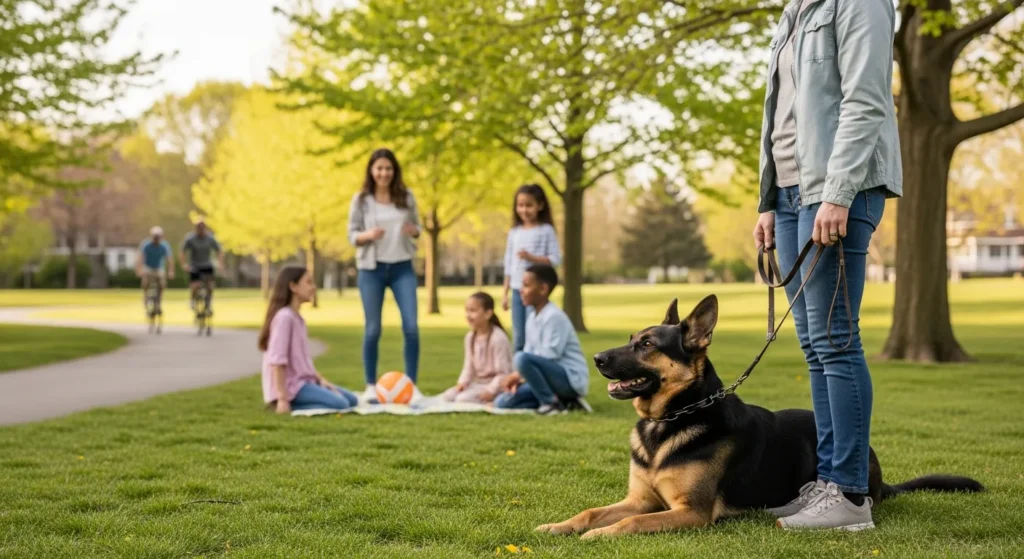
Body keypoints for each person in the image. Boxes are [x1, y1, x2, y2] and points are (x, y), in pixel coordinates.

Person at [752, 0, 902, 531]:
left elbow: (865, 100)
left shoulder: (861, 4)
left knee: (837, 338)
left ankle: (851, 495)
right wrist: (768, 200)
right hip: (792, 194)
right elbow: (780, 114)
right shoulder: (794, 11)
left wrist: (837, 194)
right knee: (815, 343)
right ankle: (828, 482)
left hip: (837, 189)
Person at [348, 148, 423, 404]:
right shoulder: (361, 200)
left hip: (402, 266)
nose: (384, 173)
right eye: (379, 168)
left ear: (395, 171)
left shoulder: (406, 196)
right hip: (372, 268)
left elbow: (418, 227)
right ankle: (370, 385)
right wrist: (367, 235)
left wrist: (414, 231)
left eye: (388, 168)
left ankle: (411, 385)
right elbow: (351, 234)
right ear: (371, 170)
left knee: (411, 327)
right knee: (373, 329)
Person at [260, 265, 359, 414]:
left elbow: (303, 363)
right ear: (293, 286)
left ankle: (314, 396)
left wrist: (321, 380)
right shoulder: (284, 317)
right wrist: (282, 398)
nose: (313, 287)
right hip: (291, 387)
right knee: (341, 404)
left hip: (305, 382)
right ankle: (282, 406)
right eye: (309, 282)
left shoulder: (298, 319)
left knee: (352, 400)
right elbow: (277, 361)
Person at [495, 264, 590, 415]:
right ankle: (564, 402)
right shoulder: (532, 316)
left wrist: (518, 374)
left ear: (543, 289)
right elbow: (530, 352)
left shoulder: (554, 317)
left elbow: (549, 356)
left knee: (520, 358)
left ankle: (550, 403)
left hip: (568, 379)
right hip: (548, 380)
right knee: (502, 402)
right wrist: (519, 378)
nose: (521, 290)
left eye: (526, 285)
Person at [502, 184, 561, 353]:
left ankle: (533, 370)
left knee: (534, 335)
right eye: (520, 205)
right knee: (519, 337)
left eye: (529, 205)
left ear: (540, 206)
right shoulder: (514, 232)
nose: (524, 210)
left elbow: (556, 259)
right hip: (516, 290)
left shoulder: (546, 231)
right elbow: (508, 264)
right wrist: (505, 294)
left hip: (535, 291)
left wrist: (531, 258)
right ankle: (519, 375)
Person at [440, 292, 513, 404]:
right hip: (478, 384)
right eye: (467, 311)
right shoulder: (470, 337)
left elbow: (504, 372)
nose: (468, 315)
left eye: (473, 311)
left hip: (495, 385)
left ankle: (494, 399)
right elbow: (468, 366)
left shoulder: (498, 338)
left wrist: (491, 390)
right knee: (448, 396)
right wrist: (462, 383)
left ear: (488, 314)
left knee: (462, 399)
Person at [180, 219, 224, 314]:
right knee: (195, 285)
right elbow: (182, 251)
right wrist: (184, 264)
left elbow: (219, 250)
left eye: (203, 228)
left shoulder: (210, 238)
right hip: (195, 265)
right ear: (196, 229)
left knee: (210, 286)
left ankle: (208, 304)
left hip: (207, 264)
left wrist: (220, 264)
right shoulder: (190, 238)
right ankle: (192, 300)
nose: (201, 230)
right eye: (199, 228)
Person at [136, 226, 175, 304]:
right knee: (146, 281)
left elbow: (169, 260)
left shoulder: (164, 246)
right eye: (155, 237)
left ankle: (159, 300)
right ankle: (146, 297)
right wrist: (139, 270)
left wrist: (171, 271)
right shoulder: (146, 245)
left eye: (158, 237)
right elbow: (140, 258)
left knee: (162, 283)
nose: (156, 239)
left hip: (159, 267)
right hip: (148, 267)